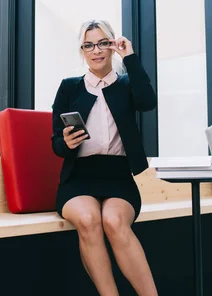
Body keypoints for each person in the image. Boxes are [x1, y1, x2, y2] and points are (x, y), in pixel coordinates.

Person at [51, 19, 158, 296]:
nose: (96, 50)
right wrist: (66, 142)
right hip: (79, 178)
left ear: (112, 46)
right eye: (88, 45)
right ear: (82, 50)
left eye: (102, 43)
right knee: (88, 220)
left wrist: (130, 57)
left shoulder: (125, 85)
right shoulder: (69, 87)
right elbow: (55, 144)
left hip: (118, 178)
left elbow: (148, 102)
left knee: (113, 221)